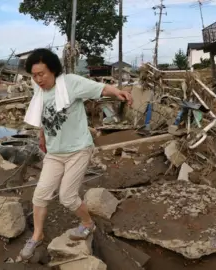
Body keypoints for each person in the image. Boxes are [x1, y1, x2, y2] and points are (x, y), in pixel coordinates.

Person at [19, 48, 133, 260]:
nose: (38, 79)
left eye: (41, 74)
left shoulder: (70, 83)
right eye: (34, 75)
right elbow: (43, 117)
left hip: (78, 150)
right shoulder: (39, 92)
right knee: (40, 195)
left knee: (67, 197)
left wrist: (118, 92)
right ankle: (37, 235)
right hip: (54, 152)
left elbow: (100, 88)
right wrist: (42, 137)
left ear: (53, 70)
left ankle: (88, 224)